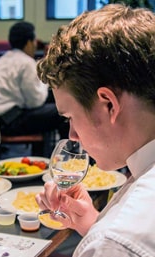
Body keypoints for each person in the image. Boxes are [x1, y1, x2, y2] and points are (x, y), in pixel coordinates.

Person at [35, 3, 155, 256]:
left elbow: (121, 241)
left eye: (70, 117)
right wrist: (92, 222)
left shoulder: (115, 240)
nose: (72, 136)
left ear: (109, 104)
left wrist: (103, 235)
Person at [0, 22, 68, 144]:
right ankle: (68, 155)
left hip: (0, 120)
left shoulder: (1, 61)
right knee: (63, 111)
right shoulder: (26, 63)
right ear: (29, 42)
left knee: (53, 102)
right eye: (34, 41)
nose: (35, 45)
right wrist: (45, 83)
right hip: (13, 121)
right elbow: (35, 101)